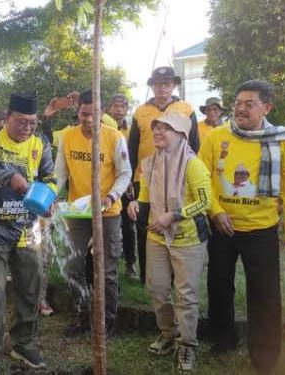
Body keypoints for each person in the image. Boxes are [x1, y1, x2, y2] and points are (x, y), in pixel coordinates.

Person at [199, 80, 285, 374]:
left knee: (265, 294)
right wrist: (216, 212)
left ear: (266, 107)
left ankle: (265, 353)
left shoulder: (283, 141)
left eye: (249, 103)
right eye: (237, 102)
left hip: (262, 229)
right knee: (219, 286)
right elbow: (201, 176)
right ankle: (223, 338)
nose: (240, 108)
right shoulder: (216, 136)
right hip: (223, 227)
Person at [0, 93, 56, 375]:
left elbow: (50, 178)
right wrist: (8, 176)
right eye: (21, 122)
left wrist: (49, 198)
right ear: (7, 119)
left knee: (30, 289)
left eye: (32, 123)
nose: (27, 128)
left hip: (27, 231)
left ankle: (23, 343)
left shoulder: (40, 142)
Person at [127, 113, 211, 373]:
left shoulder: (193, 164)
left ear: (182, 135)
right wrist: (135, 205)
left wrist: (173, 215)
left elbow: (204, 201)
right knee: (156, 287)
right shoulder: (149, 162)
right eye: (157, 129)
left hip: (188, 238)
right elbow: (145, 194)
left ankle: (187, 344)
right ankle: (168, 333)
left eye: (167, 129)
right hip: (157, 235)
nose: (159, 133)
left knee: (185, 294)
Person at [55, 90, 131, 336]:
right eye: (84, 114)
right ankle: (83, 314)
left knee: (106, 269)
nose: (88, 119)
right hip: (77, 212)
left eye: (93, 114)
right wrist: (52, 196)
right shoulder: (67, 137)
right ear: (77, 111)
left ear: (102, 112)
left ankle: (107, 320)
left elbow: (125, 173)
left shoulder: (114, 137)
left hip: (107, 212)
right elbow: (59, 174)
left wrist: (110, 197)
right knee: (73, 265)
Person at [128, 66, 200, 284]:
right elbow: (132, 147)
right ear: (152, 87)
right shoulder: (140, 111)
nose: (162, 88)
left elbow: (194, 144)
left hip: (176, 177)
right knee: (144, 224)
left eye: (167, 84)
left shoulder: (186, 108)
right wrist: (131, 179)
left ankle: (174, 272)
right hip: (146, 177)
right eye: (158, 84)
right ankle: (146, 275)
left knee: (171, 221)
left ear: (173, 85)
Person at [108, 93, 138, 279]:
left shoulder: (131, 130)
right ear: (109, 108)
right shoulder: (103, 127)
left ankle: (130, 263)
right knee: (109, 224)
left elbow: (133, 156)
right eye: (115, 106)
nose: (119, 109)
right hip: (107, 183)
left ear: (127, 109)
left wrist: (131, 181)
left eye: (122, 106)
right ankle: (110, 261)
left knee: (128, 225)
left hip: (126, 183)